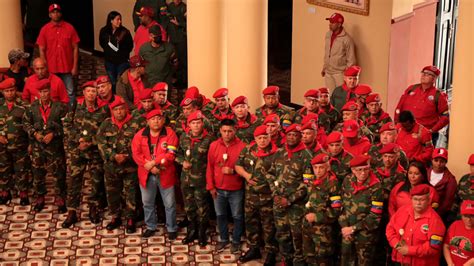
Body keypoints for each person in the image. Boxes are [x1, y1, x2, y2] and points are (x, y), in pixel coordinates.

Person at [62, 81, 110, 228]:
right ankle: (72, 211)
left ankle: (93, 208)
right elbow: (67, 125)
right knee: (74, 179)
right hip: (77, 150)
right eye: (88, 91)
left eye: (94, 91)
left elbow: (106, 132)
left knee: (96, 180)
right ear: (83, 93)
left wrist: (91, 142)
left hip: (94, 151)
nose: (91, 94)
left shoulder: (103, 110)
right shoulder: (75, 106)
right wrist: (79, 140)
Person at [267, 124, 313, 265]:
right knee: (282, 233)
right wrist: (275, 194)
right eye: (289, 135)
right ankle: (286, 259)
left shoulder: (306, 156)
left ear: (300, 137)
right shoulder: (279, 153)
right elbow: (270, 174)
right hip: (279, 202)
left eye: (295, 135)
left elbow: (308, 184)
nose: (292, 137)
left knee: (297, 235)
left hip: (296, 206)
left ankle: (298, 261)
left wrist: (290, 199)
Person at [131, 109, 178, 239]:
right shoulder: (139, 135)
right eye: (153, 119)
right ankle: (151, 226)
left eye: (159, 118)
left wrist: (154, 163)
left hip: (165, 173)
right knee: (147, 203)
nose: (156, 121)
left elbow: (171, 154)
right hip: (146, 174)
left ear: (163, 120)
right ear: (147, 121)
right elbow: (136, 154)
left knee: (169, 204)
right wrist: (150, 167)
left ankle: (172, 228)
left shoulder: (170, 133)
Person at [22, 79, 68, 212]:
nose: (44, 94)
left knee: (59, 172)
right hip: (38, 147)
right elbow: (25, 124)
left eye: (46, 91)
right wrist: (34, 133)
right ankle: (40, 197)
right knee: (38, 173)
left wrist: (54, 134)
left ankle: (60, 198)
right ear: (38, 93)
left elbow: (67, 125)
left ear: (50, 91)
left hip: (55, 147)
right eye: (41, 92)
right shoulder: (32, 108)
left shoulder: (60, 107)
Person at [235, 125, 278, 264]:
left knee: (269, 226)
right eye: (260, 138)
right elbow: (238, 165)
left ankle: (271, 252)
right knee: (251, 223)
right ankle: (254, 249)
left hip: (268, 198)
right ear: (255, 138)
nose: (263, 140)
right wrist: (246, 175)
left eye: (265, 137)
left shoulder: (277, 153)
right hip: (250, 197)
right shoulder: (248, 150)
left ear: (270, 137)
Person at [97, 97, 140, 233]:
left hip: (130, 166)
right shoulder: (106, 124)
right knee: (112, 192)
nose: (119, 112)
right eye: (116, 110)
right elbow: (101, 143)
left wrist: (127, 156)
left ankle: (130, 218)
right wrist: (114, 156)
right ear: (112, 111)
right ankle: (115, 217)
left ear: (126, 109)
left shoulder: (135, 123)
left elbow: (140, 144)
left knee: (130, 193)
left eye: (121, 109)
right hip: (112, 167)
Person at [206, 119, 246, 253]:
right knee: (220, 215)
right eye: (224, 131)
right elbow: (210, 167)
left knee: (237, 216)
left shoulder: (242, 147)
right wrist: (211, 187)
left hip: (236, 189)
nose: (227, 134)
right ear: (220, 131)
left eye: (230, 131)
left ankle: (236, 241)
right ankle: (223, 239)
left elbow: (247, 170)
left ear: (235, 131)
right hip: (218, 189)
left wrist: (233, 171)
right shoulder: (213, 145)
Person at [176, 110, 213, 245]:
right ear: (189, 125)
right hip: (186, 179)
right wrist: (182, 162)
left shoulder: (209, 139)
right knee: (189, 207)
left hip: (201, 180)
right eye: (193, 123)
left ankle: (202, 232)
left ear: (202, 124)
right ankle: (192, 230)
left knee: (202, 207)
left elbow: (212, 160)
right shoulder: (183, 138)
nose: (196, 125)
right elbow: (176, 153)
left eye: (198, 122)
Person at [338, 155, 383, 266]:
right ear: (353, 170)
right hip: (346, 231)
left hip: (365, 234)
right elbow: (341, 205)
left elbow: (375, 216)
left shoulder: (376, 186)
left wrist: (353, 229)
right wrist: (344, 227)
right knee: (346, 261)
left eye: (366, 169)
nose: (363, 173)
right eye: (359, 170)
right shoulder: (347, 180)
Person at [386, 184, 446, 265]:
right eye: (415, 199)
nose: (418, 203)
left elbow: (433, 248)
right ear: (411, 199)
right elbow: (390, 229)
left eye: (422, 200)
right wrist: (395, 243)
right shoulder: (402, 211)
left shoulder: (436, 221)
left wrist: (409, 250)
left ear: (428, 200)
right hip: (399, 261)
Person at [303, 153, 342, 265]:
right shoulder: (312, 181)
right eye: (315, 168)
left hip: (324, 232)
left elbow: (336, 210)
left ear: (327, 167)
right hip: (309, 227)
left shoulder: (333, 184)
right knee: (309, 258)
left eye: (321, 167)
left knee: (323, 260)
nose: (318, 171)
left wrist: (317, 217)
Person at [37, 4, 80, 105]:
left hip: (67, 68)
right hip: (51, 69)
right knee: (52, 93)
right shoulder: (44, 29)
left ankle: (70, 115)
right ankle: (53, 114)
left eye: (57, 12)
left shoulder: (70, 28)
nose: (55, 14)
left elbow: (75, 48)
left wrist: (75, 66)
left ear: (60, 13)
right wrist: (44, 67)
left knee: (70, 92)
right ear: (49, 15)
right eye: (53, 12)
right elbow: (41, 49)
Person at [395, 65, 449, 145]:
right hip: (405, 131)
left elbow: (445, 117)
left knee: (423, 156)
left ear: (434, 79)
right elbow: (399, 107)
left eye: (428, 74)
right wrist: (397, 124)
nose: (424, 75)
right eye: (423, 73)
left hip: (424, 135)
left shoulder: (438, 95)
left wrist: (432, 130)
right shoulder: (411, 89)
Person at [0, 79, 31, 205]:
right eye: (7, 91)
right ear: (2, 92)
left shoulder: (24, 105)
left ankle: (23, 193)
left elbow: (30, 125)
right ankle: (5, 192)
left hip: (20, 144)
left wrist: (30, 143)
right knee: (3, 169)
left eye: (12, 90)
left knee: (21, 170)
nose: (10, 93)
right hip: (2, 146)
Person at [99, 11, 133, 93]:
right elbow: (102, 43)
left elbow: (130, 46)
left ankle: (122, 98)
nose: (120, 21)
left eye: (120, 19)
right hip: (109, 61)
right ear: (111, 20)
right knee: (113, 82)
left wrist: (122, 54)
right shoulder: (104, 31)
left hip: (122, 62)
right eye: (117, 19)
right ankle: (115, 98)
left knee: (121, 82)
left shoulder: (125, 32)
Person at [322, 12, 356, 92]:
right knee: (330, 96)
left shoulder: (347, 40)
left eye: (332, 22)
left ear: (339, 24)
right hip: (328, 72)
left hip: (339, 74)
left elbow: (351, 60)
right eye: (330, 22)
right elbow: (327, 53)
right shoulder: (328, 35)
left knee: (342, 97)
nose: (330, 24)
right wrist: (324, 67)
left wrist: (347, 76)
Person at [428, 148, 457, 221]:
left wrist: (436, 214)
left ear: (445, 162)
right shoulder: (425, 173)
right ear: (432, 160)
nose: (438, 163)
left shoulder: (451, 179)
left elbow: (447, 203)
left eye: (442, 161)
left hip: (439, 214)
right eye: (436, 160)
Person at [444, 200, 474, 266]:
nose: (469, 219)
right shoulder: (455, 225)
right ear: (461, 215)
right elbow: (446, 246)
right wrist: (450, 263)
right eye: (465, 216)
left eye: (472, 216)